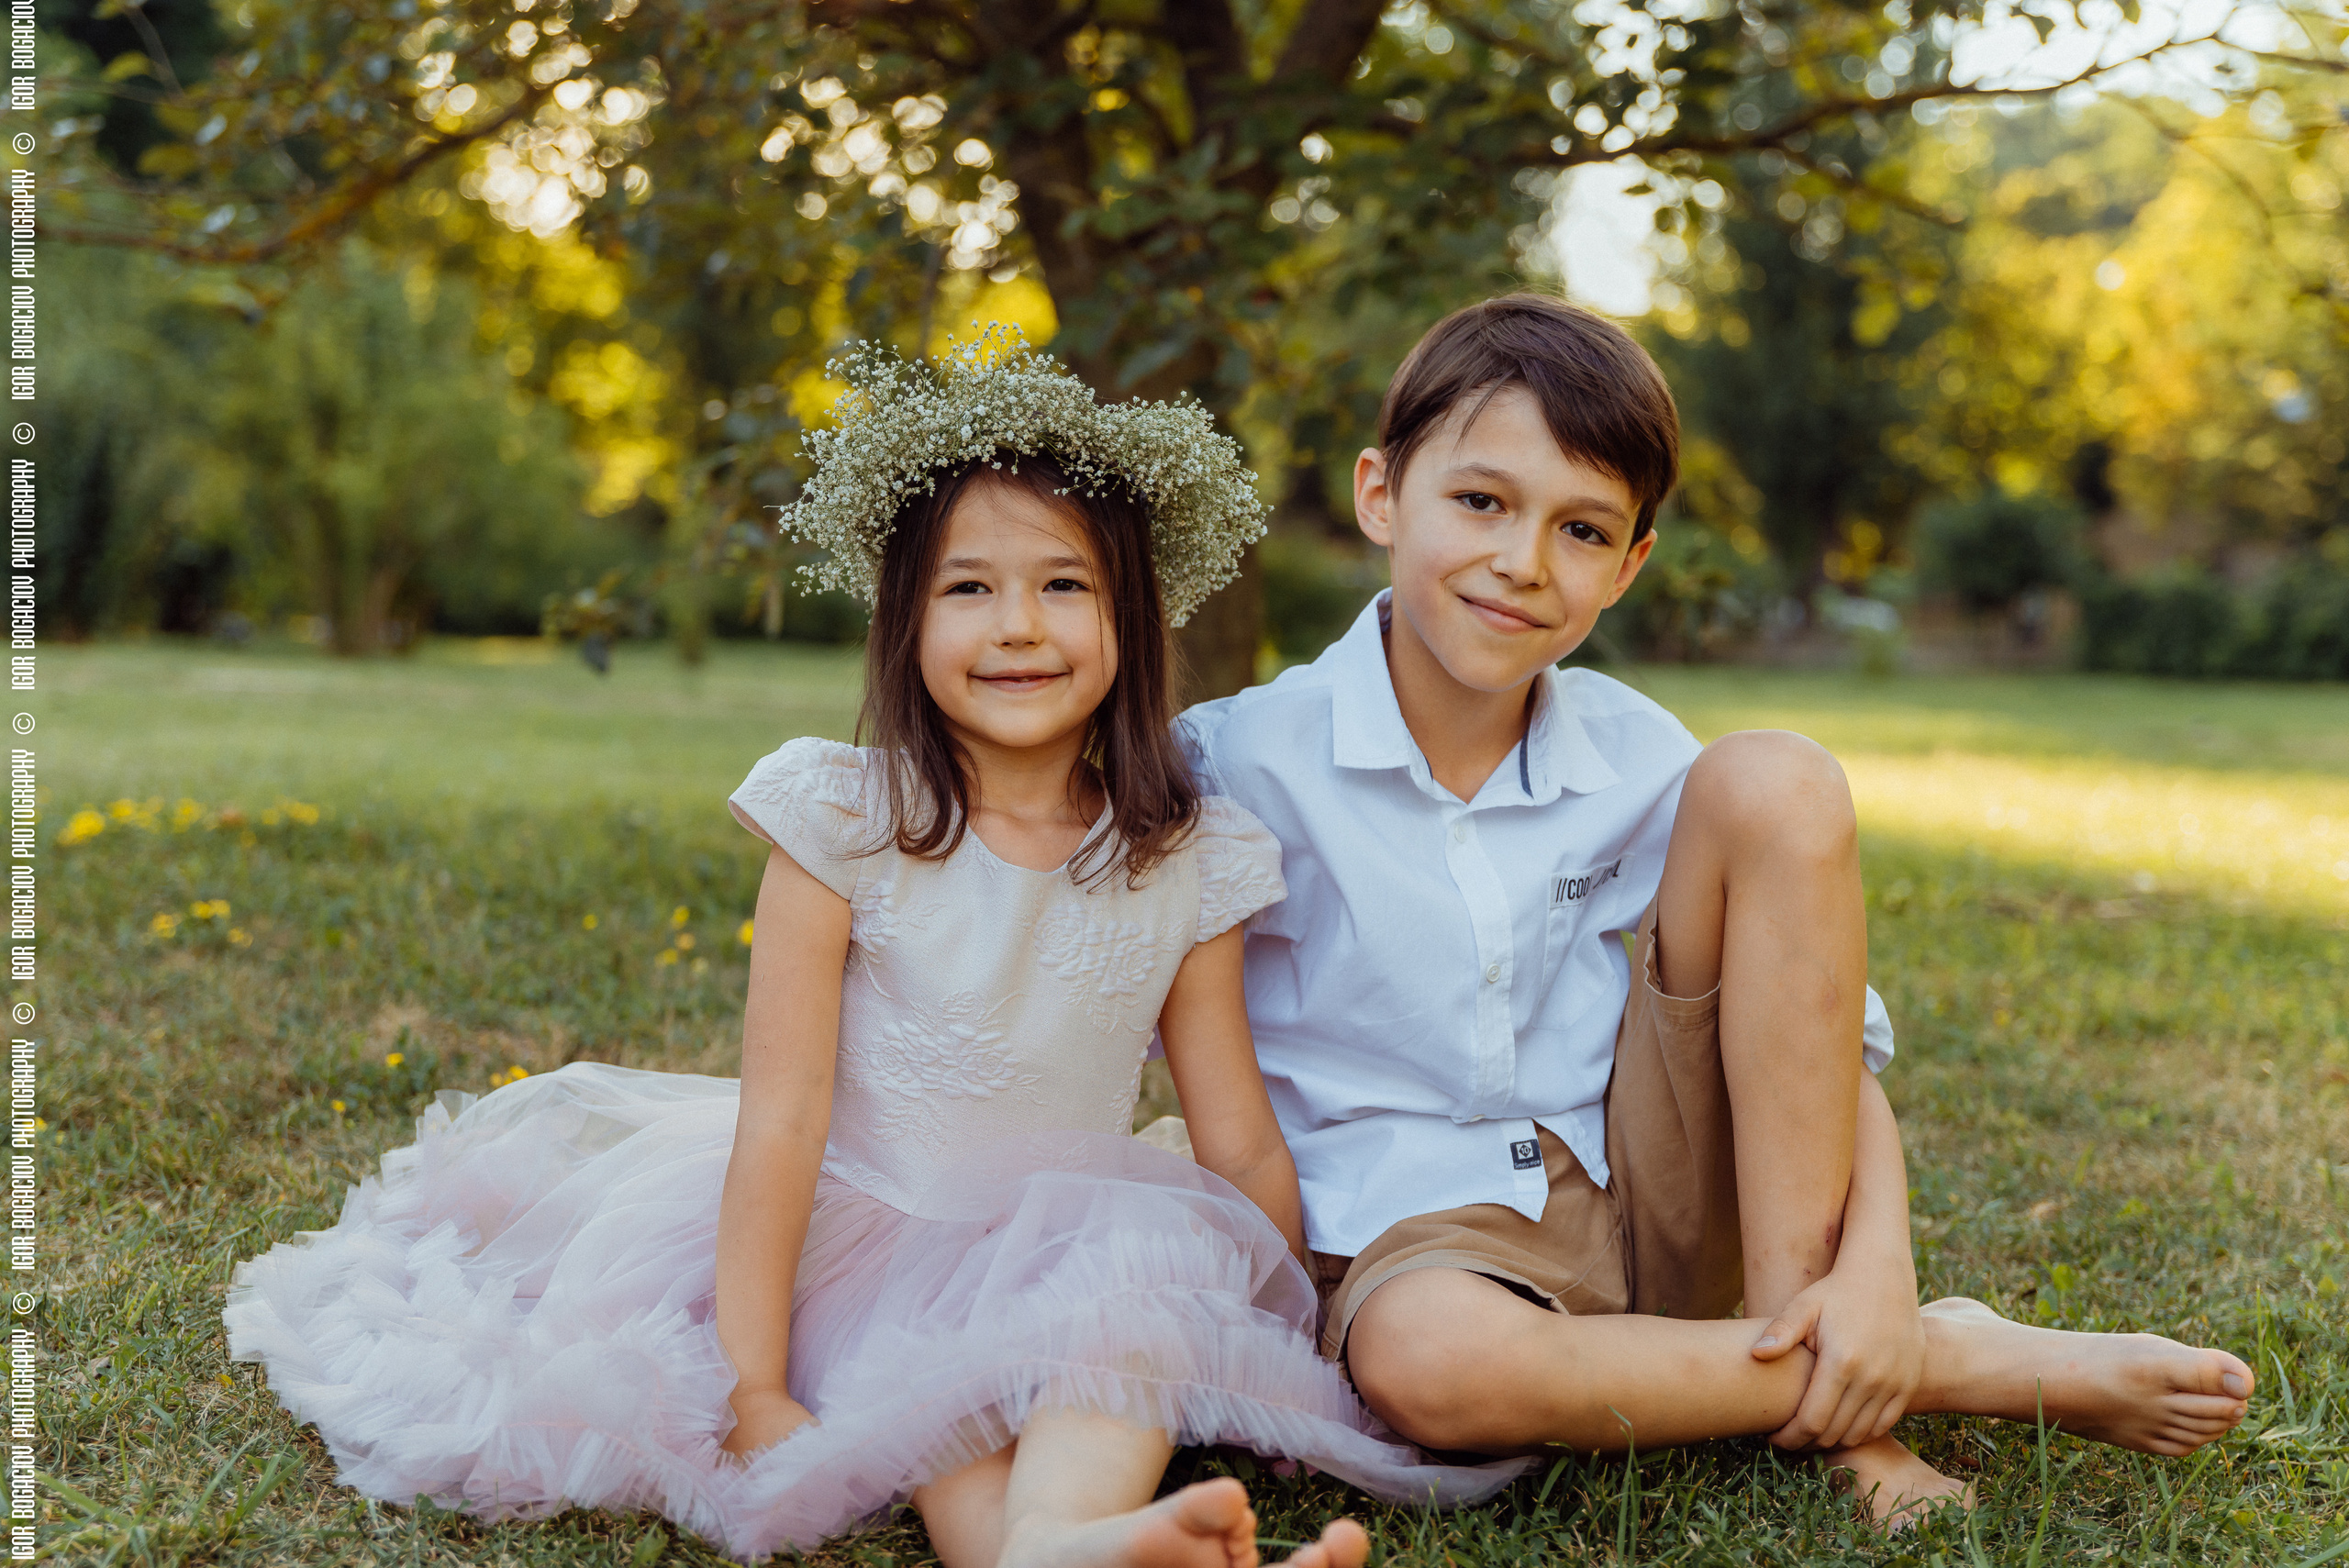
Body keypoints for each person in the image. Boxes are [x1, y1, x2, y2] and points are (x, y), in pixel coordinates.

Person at [222, 332, 1518, 1568]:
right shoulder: (845, 822)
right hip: (868, 1228)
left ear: (1132, 617)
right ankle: (1046, 1547)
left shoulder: (1184, 852)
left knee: (1130, 1323)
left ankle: (1071, 1538)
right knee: (936, 1417)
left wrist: (1271, 1326)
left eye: (1064, 584)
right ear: (905, 620)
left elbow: (1231, 1136)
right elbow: (783, 1116)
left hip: (1074, 1227)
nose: (1018, 625)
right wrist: (757, 1379)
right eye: (970, 588)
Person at [1179, 294, 2257, 1530]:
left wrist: (1875, 1265)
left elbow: (1824, 1032)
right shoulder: (1238, 762)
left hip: (1662, 1193)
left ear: (1631, 564)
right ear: (1381, 494)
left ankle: (1845, 1360)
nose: (1523, 560)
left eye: (1580, 528)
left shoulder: (1638, 756)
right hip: (1420, 1244)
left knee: (1777, 776)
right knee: (1433, 1366)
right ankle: (1960, 1362)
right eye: (1480, 501)